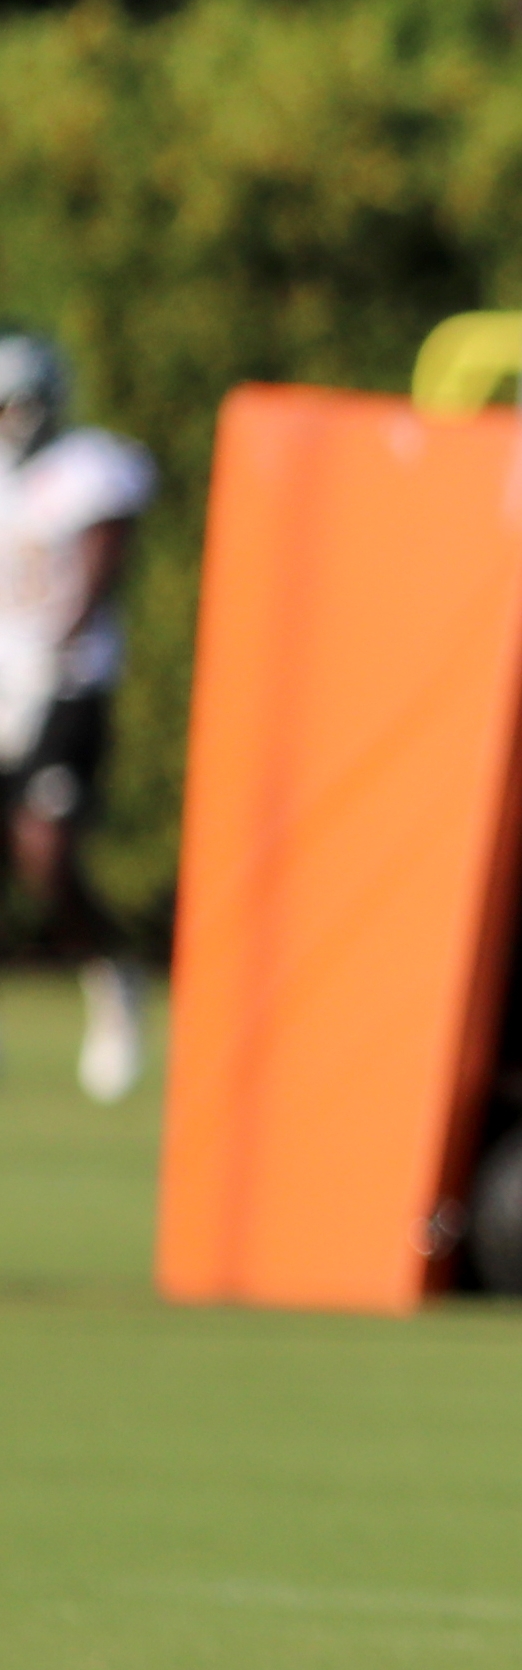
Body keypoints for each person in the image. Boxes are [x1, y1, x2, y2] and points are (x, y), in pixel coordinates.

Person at [0, 332, 155, 1100]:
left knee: (47, 851)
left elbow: (97, 573)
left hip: (64, 686)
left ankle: (113, 981)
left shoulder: (89, 468)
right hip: (2, 685)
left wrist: (46, 650)